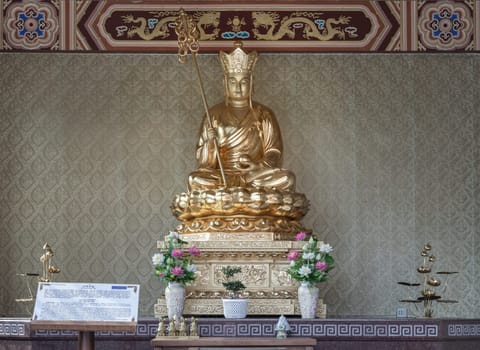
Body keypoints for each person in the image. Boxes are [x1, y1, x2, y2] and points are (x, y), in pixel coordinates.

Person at [188, 41, 295, 192]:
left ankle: (233, 193)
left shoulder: (264, 114)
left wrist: (257, 166)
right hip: (223, 176)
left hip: (253, 176)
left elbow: (274, 151)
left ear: (251, 84)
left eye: (243, 82)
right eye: (233, 82)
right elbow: (202, 161)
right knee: (195, 179)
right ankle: (242, 194)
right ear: (225, 83)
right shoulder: (213, 114)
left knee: (287, 178)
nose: (238, 87)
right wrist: (210, 145)